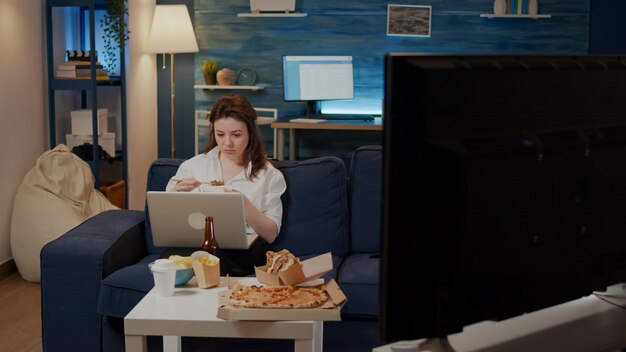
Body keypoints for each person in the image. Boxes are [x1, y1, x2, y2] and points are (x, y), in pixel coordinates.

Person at [165, 94, 287, 276]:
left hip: (242, 251)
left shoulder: (269, 175)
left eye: (236, 135)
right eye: (220, 134)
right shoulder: (193, 166)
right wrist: (175, 194)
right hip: (195, 245)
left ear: (250, 133)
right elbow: (168, 219)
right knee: (170, 260)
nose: (227, 143)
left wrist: (242, 203)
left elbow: (270, 235)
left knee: (216, 260)